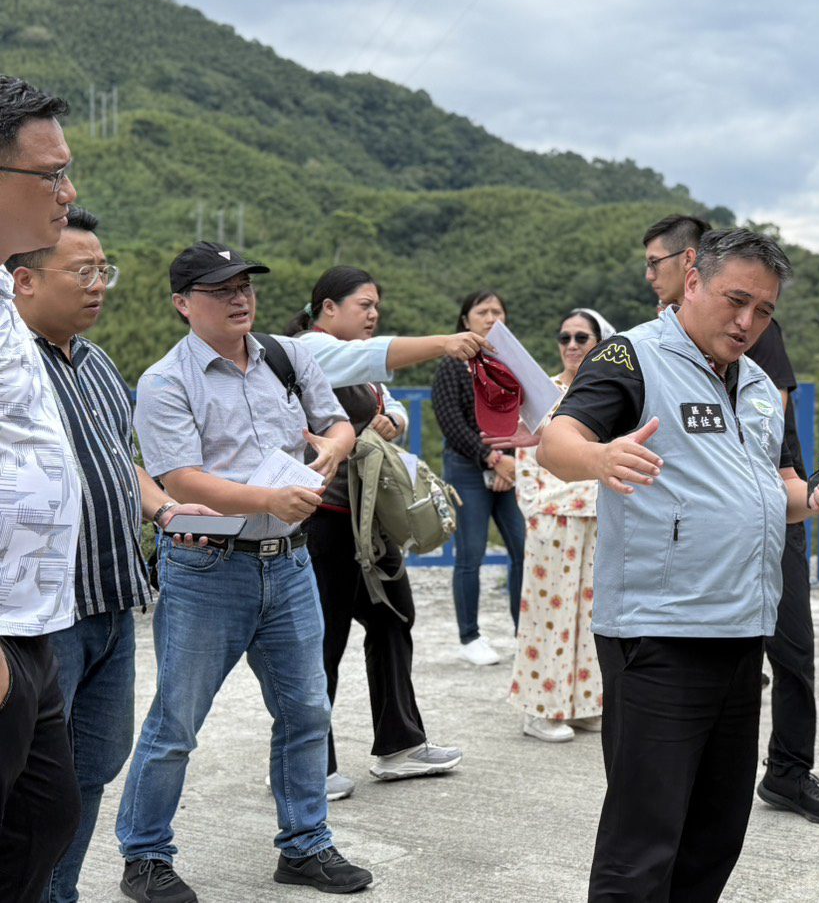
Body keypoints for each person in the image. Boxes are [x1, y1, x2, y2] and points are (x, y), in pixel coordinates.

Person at [540, 228, 819, 903]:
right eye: (736, 301)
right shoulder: (633, 356)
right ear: (692, 280)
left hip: (741, 633)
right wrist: (600, 457)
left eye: (763, 310)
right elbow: (556, 441)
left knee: (715, 834)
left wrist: (818, 496)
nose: (747, 322)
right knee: (642, 842)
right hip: (660, 635)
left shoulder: (759, 385)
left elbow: (780, 493)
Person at [120, 242, 372, 901]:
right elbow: (180, 480)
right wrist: (268, 500)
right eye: (220, 289)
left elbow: (338, 423)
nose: (240, 298)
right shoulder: (165, 381)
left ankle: (306, 844)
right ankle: (145, 855)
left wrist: (333, 448)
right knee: (177, 723)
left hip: (289, 563)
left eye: (245, 286)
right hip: (207, 567)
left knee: (307, 711)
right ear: (182, 304)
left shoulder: (285, 357)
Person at [7, 207, 217, 903]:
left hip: (113, 599)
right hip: (45, 612)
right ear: (24, 280)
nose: (99, 285)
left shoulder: (96, 363)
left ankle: (59, 892)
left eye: (104, 270)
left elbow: (118, 460)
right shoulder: (13, 369)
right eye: (82, 271)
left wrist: (163, 507)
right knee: (31, 782)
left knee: (91, 768)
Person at [643, 213, 819, 825]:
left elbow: (765, 429)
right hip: (685, 556)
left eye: (656, 262)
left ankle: (789, 769)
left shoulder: (752, 331)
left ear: (690, 267)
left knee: (789, 646)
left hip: (770, 509)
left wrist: (795, 494)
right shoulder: (644, 349)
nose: (649, 274)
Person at [288, 266, 484, 796]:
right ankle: (307, 763)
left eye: (377, 306)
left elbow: (387, 402)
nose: (373, 314)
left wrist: (393, 420)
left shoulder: (357, 362)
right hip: (324, 517)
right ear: (328, 308)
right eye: (364, 305)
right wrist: (444, 343)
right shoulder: (308, 349)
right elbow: (373, 359)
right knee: (323, 638)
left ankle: (399, 744)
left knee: (394, 617)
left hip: (368, 520)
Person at [0, 76, 85, 903]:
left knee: (46, 817)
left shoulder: (3, 291)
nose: (68, 191)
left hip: (30, 620)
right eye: (50, 174)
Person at [508, 308, 613, 742]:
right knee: (548, 615)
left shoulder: (610, 393)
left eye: (581, 337)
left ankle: (584, 702)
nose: (571, 345)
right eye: (565, 337)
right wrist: (537, 509)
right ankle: (540, 708)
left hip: (599, 516)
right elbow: (525, 459)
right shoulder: (542, 392)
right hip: (554, 518)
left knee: (591, 615)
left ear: (599, 343)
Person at [432, 288, 527, 665]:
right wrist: (491, 457)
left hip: (507, 469)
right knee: (470, 553)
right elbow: (451, 423)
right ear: (465, 320)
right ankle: (469, 637)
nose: (491, 318)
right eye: (482, 312)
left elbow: (524, 415)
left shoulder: (511, 363)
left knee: (523, 548)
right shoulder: (452, 365)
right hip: (467, 467)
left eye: (497, 312)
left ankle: (525, 634)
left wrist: (509, 461)